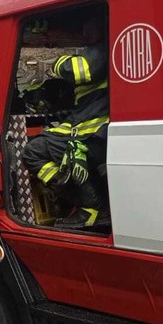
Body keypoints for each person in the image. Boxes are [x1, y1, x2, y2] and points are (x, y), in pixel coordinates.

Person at [23, 20, 109, 228]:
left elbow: (79, 70)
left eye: (89, 26)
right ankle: (89, 201)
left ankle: (89, 206)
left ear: (103, 26)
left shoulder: (102, 49)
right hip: (96, 127)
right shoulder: (110, 49)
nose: (84, 31)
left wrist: (58, 62)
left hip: (92, 131)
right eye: (82, 27)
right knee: (54, 138)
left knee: (33, 151)